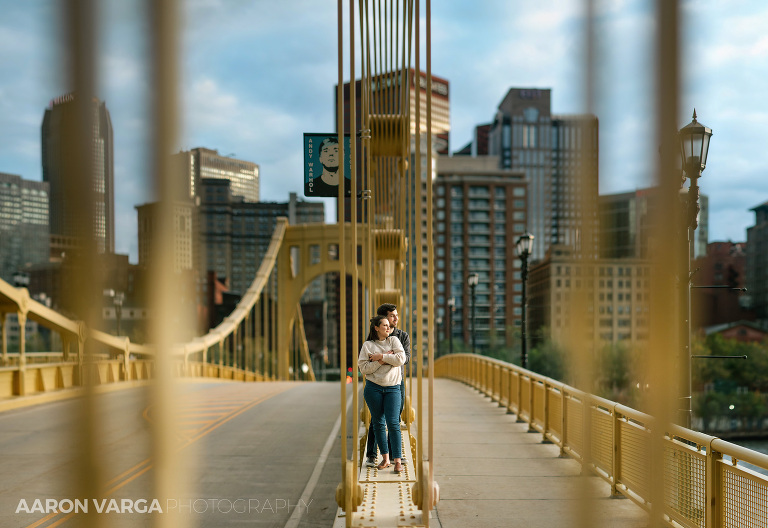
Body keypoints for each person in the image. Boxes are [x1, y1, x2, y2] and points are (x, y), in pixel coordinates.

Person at [364, 303, 411, 468]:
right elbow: (365, 365)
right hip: (376, 384)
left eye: (396, 315)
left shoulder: (401, 336)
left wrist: (381, 357)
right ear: (381, 321)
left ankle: (394, 455)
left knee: (394, 419)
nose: (396, 318)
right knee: (377, 420)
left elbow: (405, 358)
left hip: (396, 382)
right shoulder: (370, 342)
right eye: (392, 315)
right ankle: (372, 454)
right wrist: (386, 358)